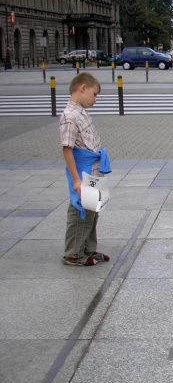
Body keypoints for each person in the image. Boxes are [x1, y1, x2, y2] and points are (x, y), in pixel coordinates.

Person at [59, 72, 112, 266]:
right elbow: (67, 149)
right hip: (83, 170)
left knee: (93, 209)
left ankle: (88, 248)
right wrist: (76, 180)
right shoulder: (70, 117)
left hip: (93, 168)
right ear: (83, 88)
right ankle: (73, 254)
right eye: (94, 94)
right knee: (81, 210)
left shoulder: (80, 111)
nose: (95, 99)